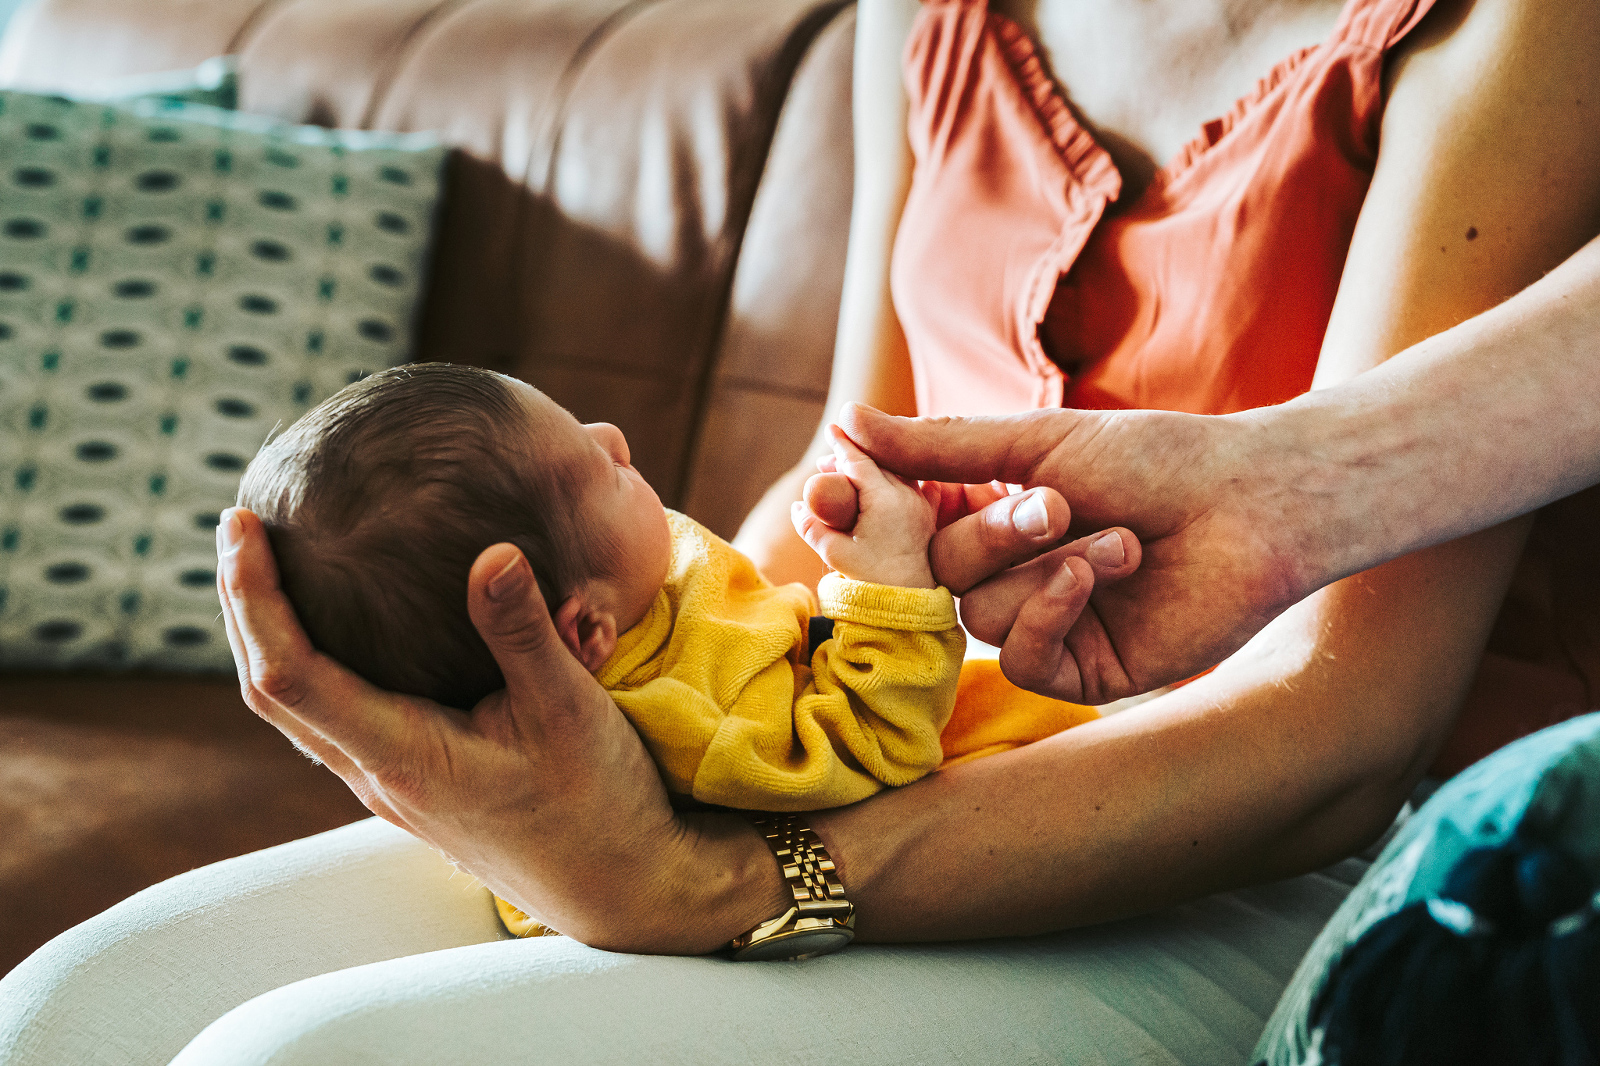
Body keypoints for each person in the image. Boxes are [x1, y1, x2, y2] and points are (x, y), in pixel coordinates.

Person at [5, 0, 1599, 1060]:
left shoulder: (1506, 28)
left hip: (1280, 851)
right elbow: (828, 484)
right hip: (886, 782)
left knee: (300, 1058)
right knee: (74, 1009)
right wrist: (625, 726)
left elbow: (1341, 728)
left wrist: (720, 875)